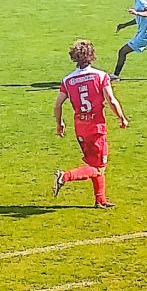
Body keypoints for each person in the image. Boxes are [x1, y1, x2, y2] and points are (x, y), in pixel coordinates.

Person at [53, 40, 128, 208]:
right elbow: (111, 100)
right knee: (99, 167)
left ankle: (100, 200)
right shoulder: (100, 76)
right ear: (92, 56)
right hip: (96, 127)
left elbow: (57, 105)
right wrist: (121, 117)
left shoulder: (68, 80)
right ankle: (64, 176)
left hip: (80, 127)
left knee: (94, 163)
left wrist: (60, 123)